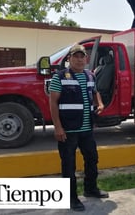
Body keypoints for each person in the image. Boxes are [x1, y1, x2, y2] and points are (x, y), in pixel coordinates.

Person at [49, 44, 108, 212]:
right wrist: (58, 127)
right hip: (68, 130)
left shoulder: (90, 75)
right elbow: (53, 102)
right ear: (69, 59)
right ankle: (71, 198)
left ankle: (91, 189)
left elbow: (95, 92)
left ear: (86, 59)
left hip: (86, 128)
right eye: (76, 56)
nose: (79, 59)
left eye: (82, 56)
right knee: (69, 165)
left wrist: (100, 103)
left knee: (92, 159)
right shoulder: (59, 77)